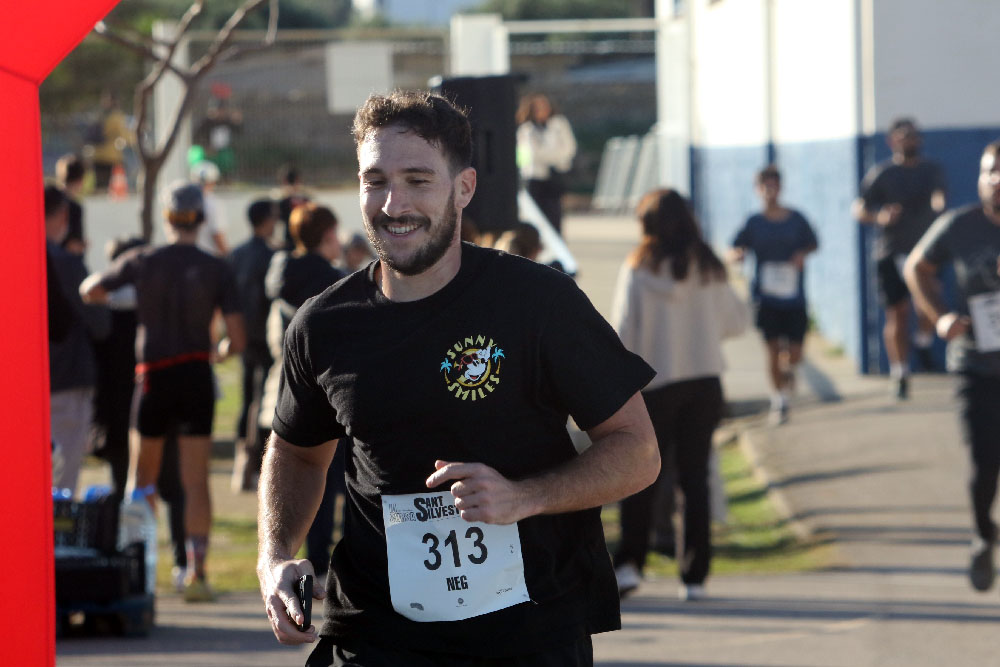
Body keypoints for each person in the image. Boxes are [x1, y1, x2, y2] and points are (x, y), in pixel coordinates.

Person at [255, 90, 659, 666]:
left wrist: (524, 496)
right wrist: (275, 555)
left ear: (464, 187)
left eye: (418, 180)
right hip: (378, 638)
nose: (394, 204)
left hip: (529, 637)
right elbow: (297, 454)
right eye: (376, 181)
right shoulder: (324, 325)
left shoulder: (538, 302)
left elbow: (638, 450)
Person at [80, 181, 246, 602]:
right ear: (201, 219)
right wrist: (221, 351)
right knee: (195, 481)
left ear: (168, 218)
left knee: (143, 479)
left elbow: (91, 289)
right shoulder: (215, 267)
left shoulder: (143, 260)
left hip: (153, 374)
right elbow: (238, 338)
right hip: (195, 373)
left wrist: (115, 298)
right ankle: (196, 572)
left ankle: (139, 571)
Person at [611, 188, 749, 602]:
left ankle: (631, 565)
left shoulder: (638, 268)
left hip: (654, 385)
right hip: (705, 381)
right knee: (695, 478)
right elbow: (737, 321)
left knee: (641, 476)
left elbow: (622, 332)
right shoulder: (709, 264)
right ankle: (694, 576)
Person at [903, 139, 1000, 594]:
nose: (996, 180)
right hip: (974, 366)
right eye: (989, 171)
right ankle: (983, 534)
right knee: (985, 464)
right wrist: (939, 316)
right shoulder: (959, 226)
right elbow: (916, 268)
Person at [258, 202, 345, 576]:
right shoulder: (337, 283)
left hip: (283, 385)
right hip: (329, 390)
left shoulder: (278, 275)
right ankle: (323, 559)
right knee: (328, 477)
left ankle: (292, 556)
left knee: (291, 470)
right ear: (328, 236)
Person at [854, 117, 947, 398]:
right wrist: (879, 216)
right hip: (891, 252)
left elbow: (940, 196)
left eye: (913, 135)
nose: (910, 140)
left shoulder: (932, 170)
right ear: (892, 140)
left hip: (924, 252)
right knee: (898, 313)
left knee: (930, 303)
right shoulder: (882, 174)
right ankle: (900, 372)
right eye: (903, 136)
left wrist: (938, 205)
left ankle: (922, 341)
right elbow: (859, 209)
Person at [730, 165, 819, 425]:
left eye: (774, 185)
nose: (770, 191)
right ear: (758, 190)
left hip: (794, 296)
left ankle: (788, 369)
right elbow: (735, 246)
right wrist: (737, 255)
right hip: (765, 297)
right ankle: (779, 401)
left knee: (794, 352)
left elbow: (813, 242)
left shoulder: (796, 219)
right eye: (764, 186)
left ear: (781, 187)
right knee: (770, 350)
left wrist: (803, 254)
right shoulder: (754, 222)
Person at [45, 184, 110, 494]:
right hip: (65, 385)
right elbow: (101, 324)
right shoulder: (67, 264)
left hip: (22, 388)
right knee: (59, 489)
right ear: (63, 216)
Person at [228, 199, 278, 492]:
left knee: (247, 397)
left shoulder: (236, 255)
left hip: (244, 336)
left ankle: (240, 467)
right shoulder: (271, 255)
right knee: (266, 402)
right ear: (266, 220)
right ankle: (258, 466)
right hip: (266, 337)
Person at [516, 93, 576, 235]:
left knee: (555, 215)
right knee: (535, 217)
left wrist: (552, 156)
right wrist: (555, 154)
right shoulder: (526, 129)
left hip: (555, 176)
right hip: (534, 177)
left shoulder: (559, 124)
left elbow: (569, 148)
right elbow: (532, 154)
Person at [88, 90, 131, 191]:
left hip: (97, 155)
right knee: (113, 188)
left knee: (99, 187)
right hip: (112, 157)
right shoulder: (117, 116)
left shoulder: (99, 115)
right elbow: (124, 135)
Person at [191, 160, 229, 256]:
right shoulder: (214, 204)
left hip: (189, 256)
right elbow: (217, 235)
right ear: (213, 181)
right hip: (210, 258)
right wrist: (229, 257)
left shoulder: (186, 201)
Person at [273, 164, 312, 250]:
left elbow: (275, 223)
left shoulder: (280, 201)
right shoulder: (306, 200)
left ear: (284, 181)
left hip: (288, 243)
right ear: (298, 180)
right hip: (307, 243)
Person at [55, 153, 88, 255]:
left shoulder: (51, 200)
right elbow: (74, 245)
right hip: (66, 262)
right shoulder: (75, 208)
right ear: (81, 180)